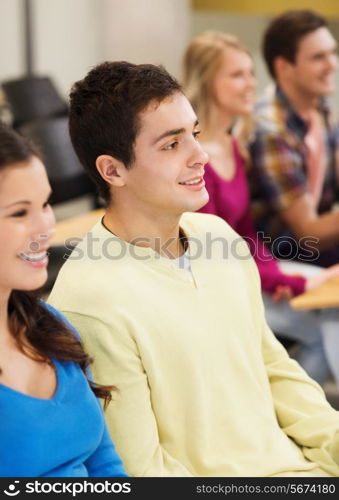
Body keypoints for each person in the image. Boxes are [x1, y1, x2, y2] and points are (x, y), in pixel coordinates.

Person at [48, 61, 339, 477]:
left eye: (195, 135)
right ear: (113, 170)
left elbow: (273, 368)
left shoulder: (217, 236)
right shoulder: (90, 303)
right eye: (171, 145)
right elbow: (142, 469)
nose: (200, 155)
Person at [182, 30, 339, 387]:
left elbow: (245, 234)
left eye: (251, 73)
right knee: (323, 328)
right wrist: (285, 280)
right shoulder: (193, 159)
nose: (252, 84)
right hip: (216, 285)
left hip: (247, 271)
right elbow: (214, 249)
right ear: (207, 81)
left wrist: (274, 274)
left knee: (330, 310)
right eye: (237, 75)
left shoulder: (233, 147)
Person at [0, 123, 127, 478]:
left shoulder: (51, 328)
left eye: (45, 204)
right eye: (19, 213)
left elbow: (104, 461)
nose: (46, 227)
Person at [249, 9, 339, 267]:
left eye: (332, 52)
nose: (332, 64)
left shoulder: (321, 109)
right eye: (319, 57)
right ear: (284, 67)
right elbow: (310, 233)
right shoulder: (270, 129)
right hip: (283, 252)